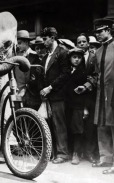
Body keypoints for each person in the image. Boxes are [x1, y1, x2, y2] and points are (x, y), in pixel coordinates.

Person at [87, 18, 114, 174]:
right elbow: (96, 75)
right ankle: (106, 158)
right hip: (101, 94)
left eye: (100, 31)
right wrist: (88, 85)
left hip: (113, 93)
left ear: (108, 30)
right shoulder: (97, 52)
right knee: (102, 125)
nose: (97, 34)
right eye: (96, 32)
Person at [40, 27, 70, 164]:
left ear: (52, 38)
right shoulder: (46, 56)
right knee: (50, 124)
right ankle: (53, 153)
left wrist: (50, 88)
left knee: (59, 125)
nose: (44, 42)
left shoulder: (63, 53)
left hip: (58, 95)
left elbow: (65, 74)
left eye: (45, 39)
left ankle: (63, 154)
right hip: (49, 96)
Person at [76, 33, 99, 163]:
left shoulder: (93, 58)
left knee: (90, 126)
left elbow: (96, 75)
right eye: (79, 42)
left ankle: (89, 152)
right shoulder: (73, 58)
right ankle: (77, 152)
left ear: (88, 43)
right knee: (77, 125)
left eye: (84, 42)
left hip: (90, 95)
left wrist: (88, 84)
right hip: (77, 96)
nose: (82, 44)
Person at [64, 48, 87, 165]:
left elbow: (87, 92)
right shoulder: (67, 71)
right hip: (68, 104)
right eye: (74, 57)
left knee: (77, 129)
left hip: (79, 105)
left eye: (79, 57)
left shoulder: (84, 72)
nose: (77, 60)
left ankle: (76, 153)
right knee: (69, 127)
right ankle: (70, 151)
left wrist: (86, 108)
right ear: (70, 59)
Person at [14, 30, 43, 110]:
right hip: (18, 93)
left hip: (32, 94)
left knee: (31, 116)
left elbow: (37, 76)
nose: (18, 45)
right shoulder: (16, 56)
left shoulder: (35, 56)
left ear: (26, 42)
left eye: (19, 43)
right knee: (19, 116)